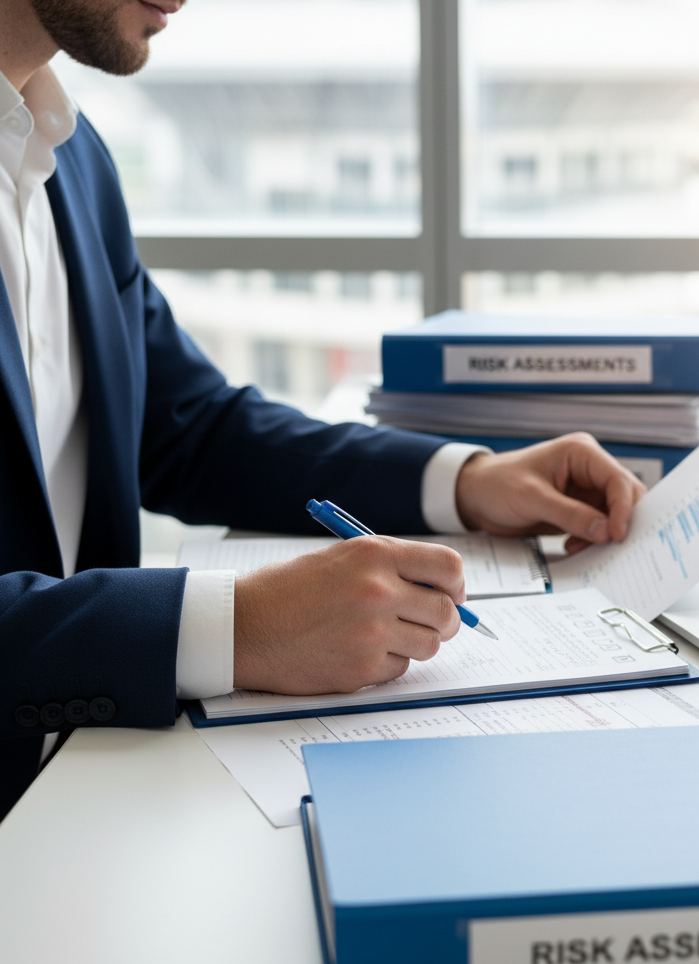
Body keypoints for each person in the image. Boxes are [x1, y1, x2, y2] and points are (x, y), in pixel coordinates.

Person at [0, 0, 645, 819]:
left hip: (84, 792)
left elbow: (188, 428)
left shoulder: (67, 152)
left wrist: (466, 481)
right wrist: (235, 628)